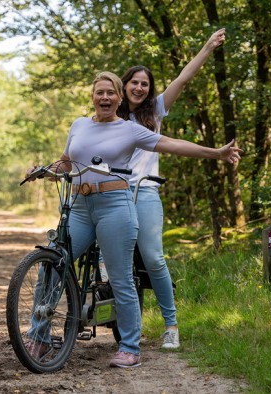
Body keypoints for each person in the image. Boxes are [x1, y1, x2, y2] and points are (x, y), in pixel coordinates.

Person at [25, 71, 241, 368]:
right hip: (79, 204)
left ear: (119, 97)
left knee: (121, 277)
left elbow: (174, 144)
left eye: (110, 93)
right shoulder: (79, 125)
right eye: (99, 92)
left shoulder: (129, 129)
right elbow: (66, 162)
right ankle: (39, 337)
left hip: (115, 205)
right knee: (52, 265)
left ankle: (129, 347)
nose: (105, 98)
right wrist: (46, 171)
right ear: (92, 96)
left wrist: (216, 153)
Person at [117, 28, 226, 349]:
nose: (139, 87)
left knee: (153, 257)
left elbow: (183, 78)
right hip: (114, 193)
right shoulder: (110, 116)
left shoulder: (155, 111)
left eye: (144, 84)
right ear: (123, 85)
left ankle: (171, 325)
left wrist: (207, 47)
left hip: (146, 193)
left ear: (149, 90)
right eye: (134, 82)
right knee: (111, 262)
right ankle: (121, 323)